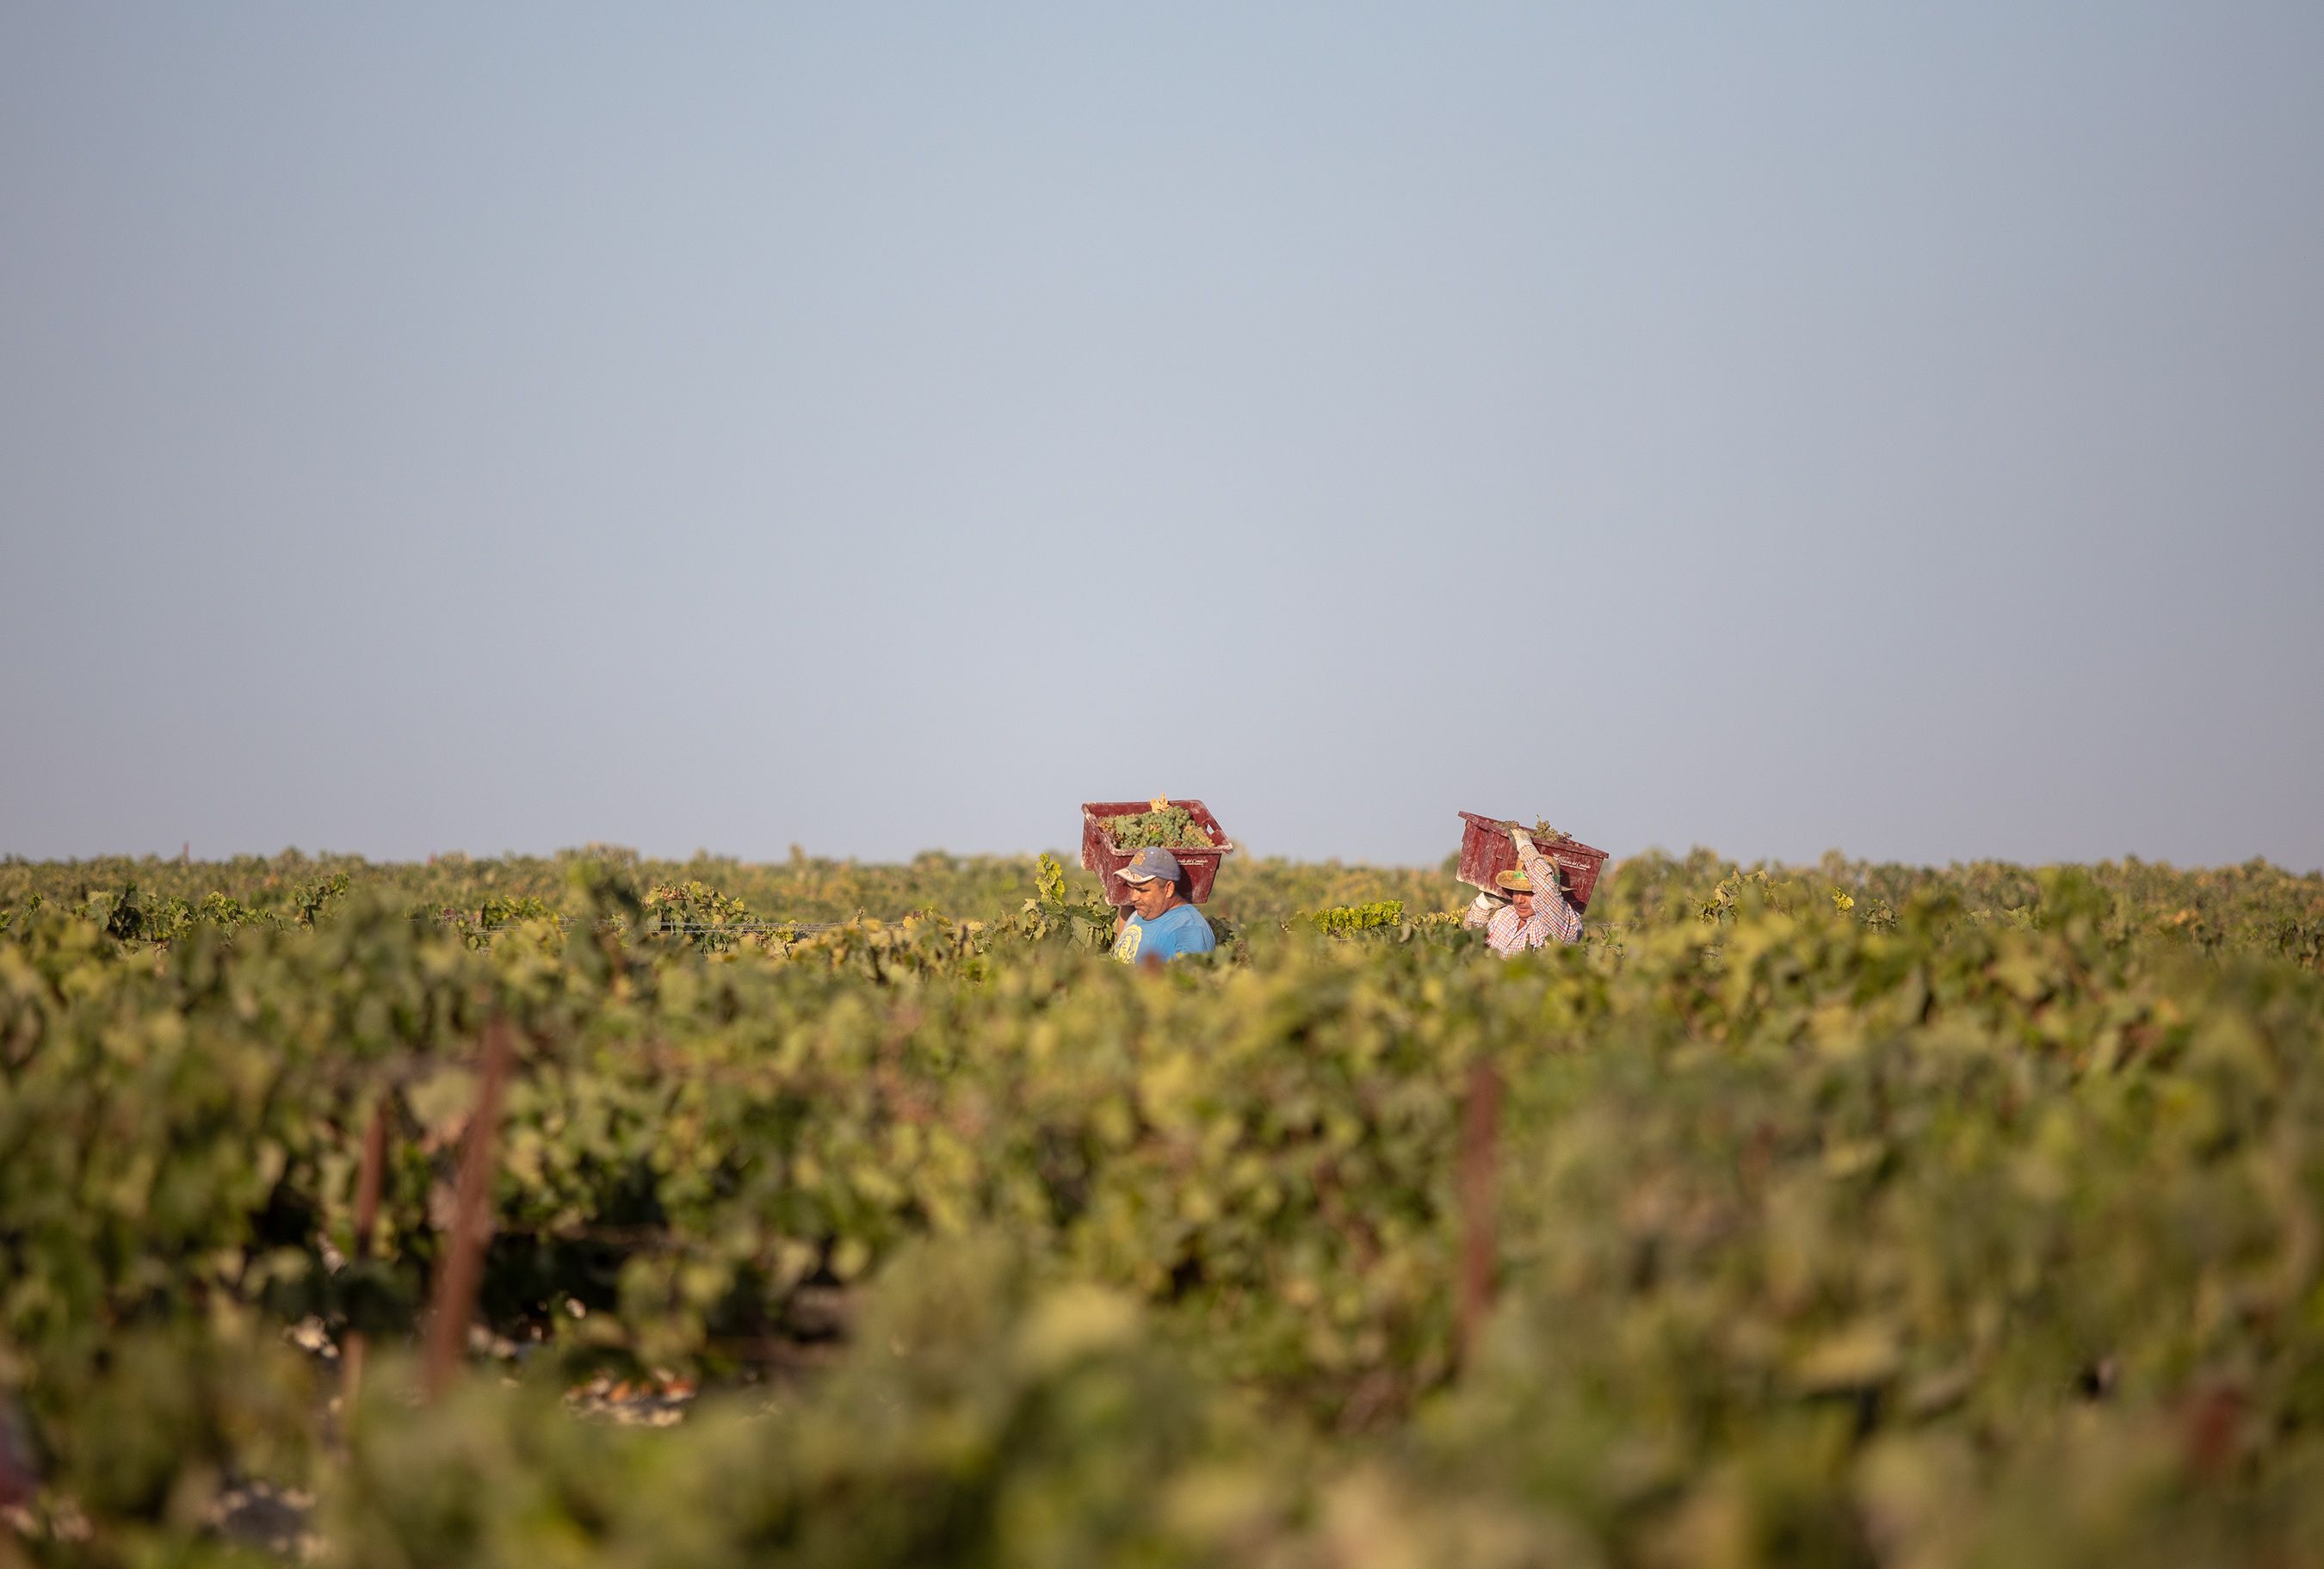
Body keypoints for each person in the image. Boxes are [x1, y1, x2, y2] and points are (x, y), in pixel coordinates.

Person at [1462, 825, 1583, 954]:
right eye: (1516, 891)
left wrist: (1525, 846)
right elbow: (1474, 939)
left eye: (1529, 893)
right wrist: (1484, 903)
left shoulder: (1561, 923)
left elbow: (1546, 890)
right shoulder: (1505, 915)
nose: (1519, 900)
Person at [1109, 847, 1218, 964]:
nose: (1133, 897)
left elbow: (1191, 980)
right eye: (1131, 887)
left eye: (1142, 890)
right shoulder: (1139, 913)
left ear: (1169, 889)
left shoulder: (1189, 930)